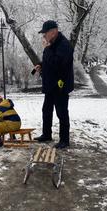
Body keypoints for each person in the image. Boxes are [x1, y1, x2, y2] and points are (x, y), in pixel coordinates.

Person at [33, 20, 74, 149]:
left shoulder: (64, 45)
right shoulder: (51, 44)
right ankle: (46, 134)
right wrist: (41, 65)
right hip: (50, 84)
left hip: (61, 85)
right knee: (46, 110)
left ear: (53, 32)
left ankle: (64, 140)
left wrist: (47, 48)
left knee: (61, 112)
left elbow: (58, 64)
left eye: (45, 33)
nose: (43, 36)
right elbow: (49, 61)